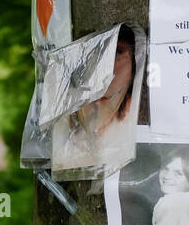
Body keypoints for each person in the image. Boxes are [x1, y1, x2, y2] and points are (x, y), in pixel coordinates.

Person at [52, 25, 139, 176]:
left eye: (117, 52)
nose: (105, 68)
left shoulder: (130, 119)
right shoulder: (65, 121)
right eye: (94, 54)